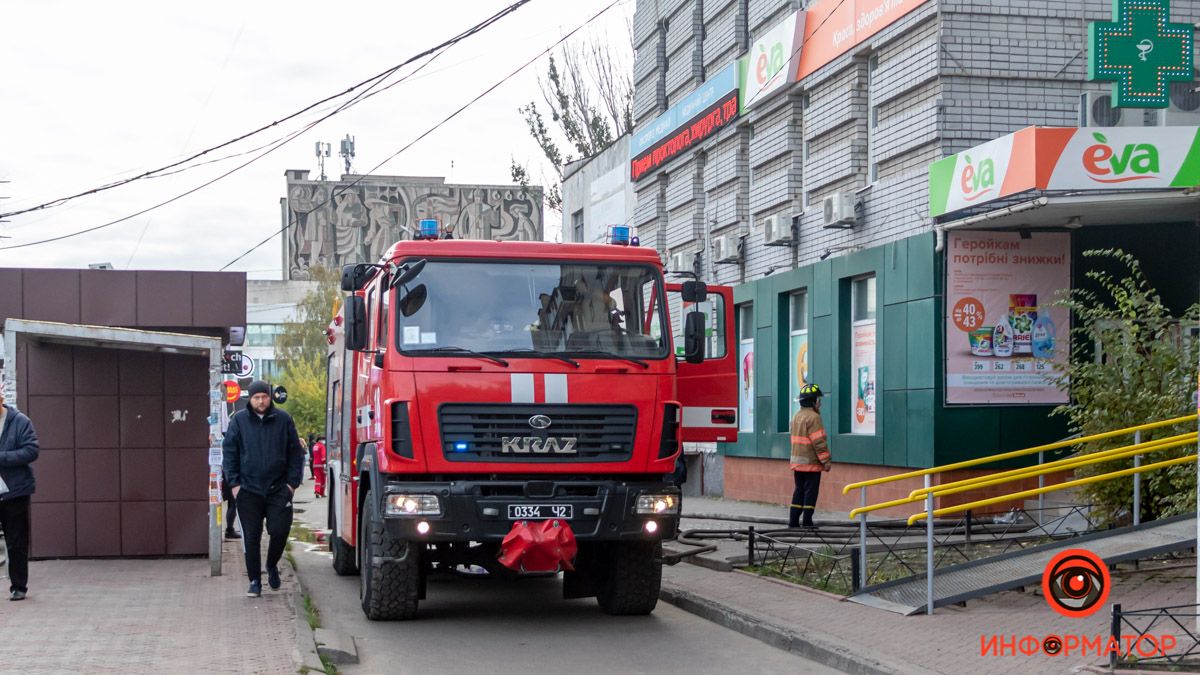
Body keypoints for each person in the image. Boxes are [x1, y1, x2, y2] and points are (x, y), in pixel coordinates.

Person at [222, 380, 304, 598]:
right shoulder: (239, 421)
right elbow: (229, 452)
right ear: (250, 399)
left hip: (279, 488)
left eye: (264, 397)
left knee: (279, 530)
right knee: (251, 536)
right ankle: (255, 581)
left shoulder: (283, 420)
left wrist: (291, 484)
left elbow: (296, 453)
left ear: (270, 397)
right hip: (248, 489)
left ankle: (271, 564)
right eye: (256, 397)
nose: (261, 401)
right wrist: (235, 484)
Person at [0, 392, 39, 601]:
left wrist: (2, 458)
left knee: (17, 540)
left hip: (14, 491)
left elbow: (31, 450)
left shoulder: (20, 422)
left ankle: (18, 586)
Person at [789, 383, 831, 529]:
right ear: (812, 401)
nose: (820, 403)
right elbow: (819, 442)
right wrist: (826, 461)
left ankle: (793, 522)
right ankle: (807, 522)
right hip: (811, 464)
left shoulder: (796, 416)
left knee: (798, 490)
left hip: (797, 462)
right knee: (810, 493)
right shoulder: (814, 418)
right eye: (818, 400)